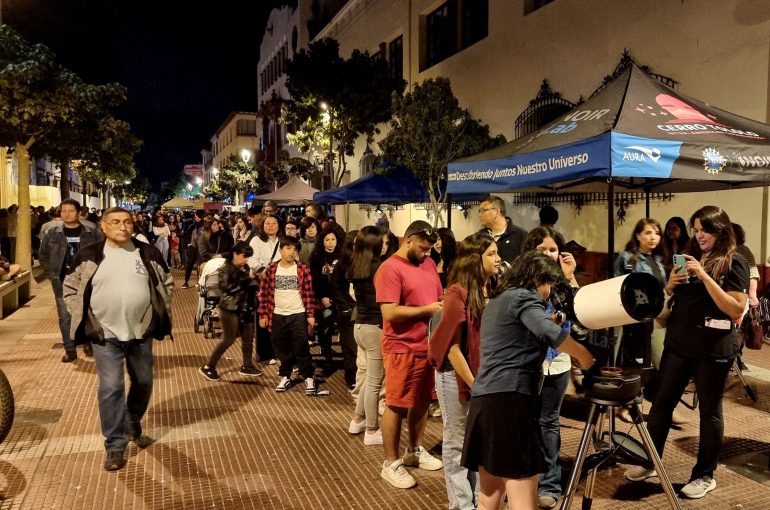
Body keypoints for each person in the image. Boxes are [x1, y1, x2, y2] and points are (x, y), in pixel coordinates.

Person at [625, 206, 749, 500]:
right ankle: (649, 461)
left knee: (710, 412)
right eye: (696, 229)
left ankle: (705, 474)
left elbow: (735, 309)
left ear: (720, 230)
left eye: (704, 229)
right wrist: (668, 288)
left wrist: (704, 276)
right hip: (679, 345)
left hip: (713, 350)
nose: (699, 235)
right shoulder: (688, 258)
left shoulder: (735, 261)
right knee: (661, 405)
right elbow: (662, 317)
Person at [461, 251, 594, 510]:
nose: (548, 293)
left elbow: (519, 337)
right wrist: (584, 356)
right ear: (536, 279)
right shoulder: (523, 297)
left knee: (490, 495)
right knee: (524, 496)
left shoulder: (498, 300)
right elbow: (549, 331)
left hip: (484, 402)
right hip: (510, 402)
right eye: (549, 285)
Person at [62, 207, 173, 471]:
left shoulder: (147, 252)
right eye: (115, 222)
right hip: (104, 334)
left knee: (144, 382)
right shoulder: (89, 255)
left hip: (140, 332)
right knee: (111, 387)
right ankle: (115, 444)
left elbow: (166, 283)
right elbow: (70, 287)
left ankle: (132, 418)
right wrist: (80, 315)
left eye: (127, 222)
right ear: (103, 225)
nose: (122, 226)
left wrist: (156, 313)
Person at [429, 232, 500, 510]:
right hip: (455, 377)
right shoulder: (456, 293)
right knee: (457, 442)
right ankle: (461, 505)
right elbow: (451, 349)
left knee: (480, 442)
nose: (498, 259)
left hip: (482, 377)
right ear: (475, 259)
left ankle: (482, 502)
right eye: (491, 254)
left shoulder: (491, 288)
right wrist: (476, 384)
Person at [375, 220, 444, 489]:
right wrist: (426, 310)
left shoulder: (426, 264)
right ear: (408, 240)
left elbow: (437, 297)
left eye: (430, 250)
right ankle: (390, 463)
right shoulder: (389, 269)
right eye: (423, 248)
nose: (427, 254)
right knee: (396, 403)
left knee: (422, 401)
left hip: (425, 345)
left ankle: (414, 451)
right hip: (401, 347)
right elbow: (389, 312)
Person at [521, 227, 578, 509]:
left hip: (558, 363)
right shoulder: (522, 283)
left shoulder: (565, 283)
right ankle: (524, 481)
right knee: (526, 422)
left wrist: (569, 279)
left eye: (553, 249)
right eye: (542, 249)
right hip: (528, 362)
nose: (548, 254)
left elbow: (579, 323)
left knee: (548, 423)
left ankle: (549, 483)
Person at [258, 236, 326, 396]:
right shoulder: (272, 270)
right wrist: (263, 315)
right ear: (281, 250)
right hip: (277, 314)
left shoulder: (302, 268)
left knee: (301, 346)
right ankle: (285, 375)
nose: (292, 252)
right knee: (281, 347)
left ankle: (309, 376)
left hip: (298, 313)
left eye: (294, 249)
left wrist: (310, 315)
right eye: (288, 248)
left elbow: (309, 293)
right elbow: (264, 294)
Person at [38, 198, 103, 363]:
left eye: (71, 210)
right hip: (61, 281)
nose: (67, 214)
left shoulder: (92, 232)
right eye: (64, 211)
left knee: (89, 313)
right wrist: (52, 274)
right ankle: (70, 349)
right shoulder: (52, 233)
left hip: (88, 280)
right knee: (65, 317)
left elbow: (102, 253)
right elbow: (43, 255)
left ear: (79, 212)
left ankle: (89, 342)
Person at [199, 242, 262, 381]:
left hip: (245, 307)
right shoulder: (225, 269)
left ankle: (247, 365)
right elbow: (227, 288)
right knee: (228, 339)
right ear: (235, 254)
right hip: (229, 308)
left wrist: (254, 285)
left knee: (248, 337)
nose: (246, 260)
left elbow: (248, 285)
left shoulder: (244, 267)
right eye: (244, 256)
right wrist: (246, 281)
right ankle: (209, 366)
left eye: (248, 257)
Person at [348, 226, 386, 445]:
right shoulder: (378, 267)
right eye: (382, 242)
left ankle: (358, 419)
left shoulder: (356, 264)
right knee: (374, 382)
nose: (384, 245)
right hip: (374, 327)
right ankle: (371, 430)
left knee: (368, 379)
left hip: (359, 326)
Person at [613, 219, 667, 369]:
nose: (653, 237)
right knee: (630, 358)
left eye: (657, 233)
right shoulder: (626, 257)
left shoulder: (658, 260)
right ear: (638, 235)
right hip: (632, 314)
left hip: (656, 314)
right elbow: (614, 285)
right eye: (648, 232)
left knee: (657, 357)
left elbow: (663, 287)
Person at [309, 226, 343, 372]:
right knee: (326, 327)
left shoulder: (342, 255)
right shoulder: (316, 256)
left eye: (333, 239)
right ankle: (327, 354)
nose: (330, 243)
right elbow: (314, 279)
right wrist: (322, 297)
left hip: (340, 299)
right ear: (322, 241)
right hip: (324, 302)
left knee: (343, 328)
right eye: (327, 239)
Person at [477, 195, 527, 264]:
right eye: (479, 211)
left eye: (483, 210)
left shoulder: (520, 235)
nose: (480, 214)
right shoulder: (479, 236)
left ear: (497, 212)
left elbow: (526, 263)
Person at [181, 209, 205, 289]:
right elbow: (186, 234)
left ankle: (199, 282)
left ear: (199, 217)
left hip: (201, 247)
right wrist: (189, 244)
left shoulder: (205, 225)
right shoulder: (193, 225)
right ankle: (186, 281)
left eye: (196, 216)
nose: (195, 217)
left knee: (200, 264)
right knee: (190, 264)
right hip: (193, 246)